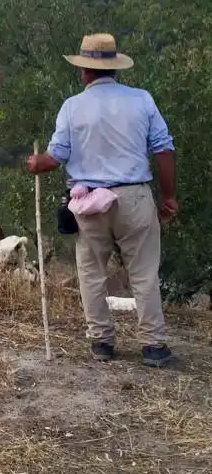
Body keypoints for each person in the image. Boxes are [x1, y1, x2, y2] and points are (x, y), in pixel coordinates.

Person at [25, 33, 177, 368]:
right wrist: (169, 196)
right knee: (144, 273)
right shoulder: (142, 100)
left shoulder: (72, 107)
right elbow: (164, 149)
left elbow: (55, 157)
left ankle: (102, 342)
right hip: (134, 197)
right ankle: (153, 345)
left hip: (89, 202)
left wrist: (38, 164)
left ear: (84, 71)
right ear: (114, 68)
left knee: (92, 272)